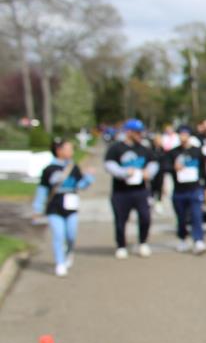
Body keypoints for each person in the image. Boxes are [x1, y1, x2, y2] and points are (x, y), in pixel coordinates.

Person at [33, 139, 94, 277]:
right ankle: (60, 262)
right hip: (54, 207)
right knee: (58, 235)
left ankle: (68, 252)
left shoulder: (74, 167)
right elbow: (42, 190)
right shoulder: (49, 169)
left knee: (71, 235)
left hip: (71, 207)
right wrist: (37, 209)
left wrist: (89, 177)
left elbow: (80, 185)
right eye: (69, 149)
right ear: (59, 150)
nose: (71, 151)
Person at [104, 118, 158, 259]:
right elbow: (109, 165)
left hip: (140, 190)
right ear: (129, 132)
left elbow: (153, 163)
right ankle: (121, 245)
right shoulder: (116, 148)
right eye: (137, 132)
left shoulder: (144, 149)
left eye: (141, 132)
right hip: (121, 191)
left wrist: (148, 172)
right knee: (121, 220)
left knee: (145, 217)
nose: (140, 134)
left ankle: (143, 242)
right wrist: (124, 172)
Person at [168, 125, 206, 255]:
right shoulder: (173, 153)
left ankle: (198, 240)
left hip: (195, 189)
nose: (183, 136)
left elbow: (203, 170)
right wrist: (173, 167)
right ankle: (182, 238)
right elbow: (164, 167)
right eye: (181, 134)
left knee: (196, 215)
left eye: (185, 134)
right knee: (181, 217)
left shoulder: (197, 151)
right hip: (179, 190)